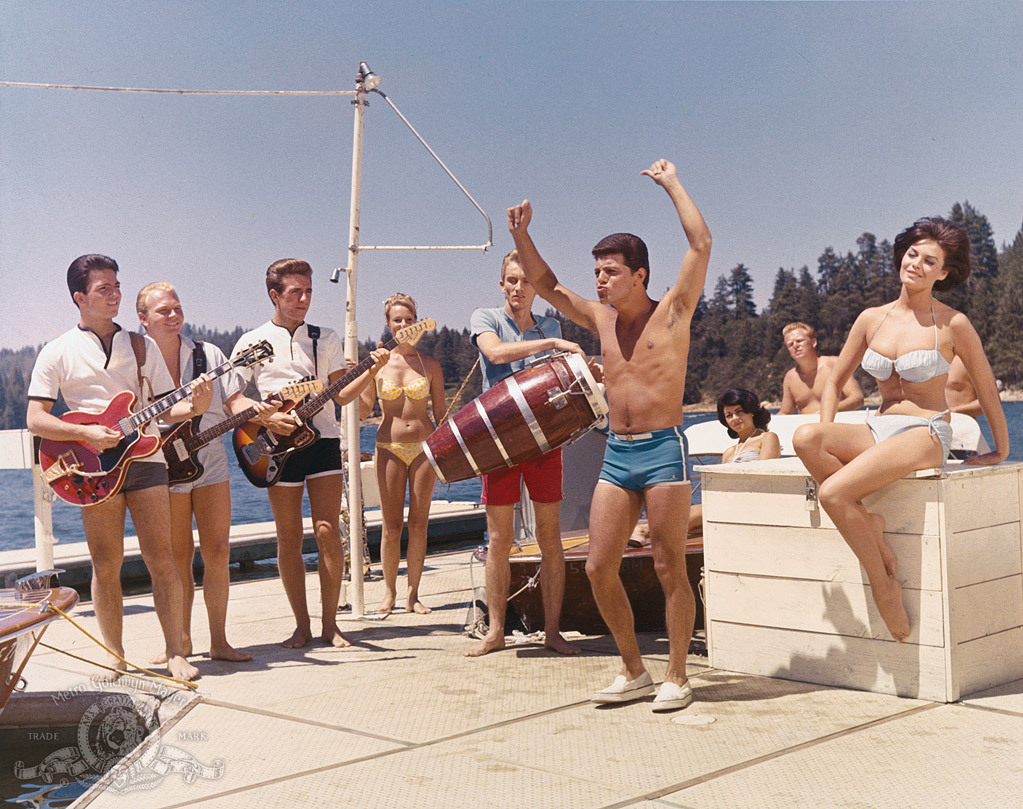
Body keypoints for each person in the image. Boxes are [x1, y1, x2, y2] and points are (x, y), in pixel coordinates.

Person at [507, 158, 711, 712]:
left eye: (611, 271)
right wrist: (522, 236)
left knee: (670, 565)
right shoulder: (600, 320)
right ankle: (633, 670)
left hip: (664, 449)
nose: (601, 279)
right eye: (597, 270)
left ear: (640, 274)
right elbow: (546, 285)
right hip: (617, 454)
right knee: (599, 566)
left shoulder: (672, 313)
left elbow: (700, 245)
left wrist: (672, 184)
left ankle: (677, 676)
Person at [793, 217, 1009, 642]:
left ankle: (883, 584)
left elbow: (986, 389)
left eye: (930, 261)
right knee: (806, 438)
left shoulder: (953, 324)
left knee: (834, 492)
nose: (917, 265)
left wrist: (1001, 449)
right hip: (879, 425)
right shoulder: (871, 318)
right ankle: (869, 527)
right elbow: (835, 384)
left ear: (943, 273)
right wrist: (828, 434)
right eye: (913, 254)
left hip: (926, 432)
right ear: (902, 256)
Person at [26, 255, 211, 682]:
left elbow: (171, 403)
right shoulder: (56, 352)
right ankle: (114, 654)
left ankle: (175, 653)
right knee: (106, 563)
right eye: (103, 289)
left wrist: (197, 404)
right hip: (91, 468)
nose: (114, 295)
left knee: (162, 557)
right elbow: (36, 418)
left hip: (146, 457)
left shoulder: (141, 344)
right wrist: (85, 435)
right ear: (79, 297)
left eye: (116, 286)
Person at [231, 259, 388, 648]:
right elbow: (233, 398)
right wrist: (265, 421)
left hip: (324, 440)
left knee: (327, 531)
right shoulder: (252, 342)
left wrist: (371, 370)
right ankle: (301, 626)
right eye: (295, 292)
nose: (304, 299)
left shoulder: (326, 338)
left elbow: (344, 394)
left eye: (309, 292)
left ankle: (331, 624)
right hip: (276, 446)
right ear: (274, 295)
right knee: (288, 537)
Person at [463, 248, 588, 658]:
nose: (519, 288)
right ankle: (495, 631)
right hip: (498, 440)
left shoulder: (548, 320)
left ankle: (553, 631)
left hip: (544, 440)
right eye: (512, 281)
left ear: (536, 286)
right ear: (502, 284)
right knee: (499, 539)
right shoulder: (486, 318)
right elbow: (495, 354)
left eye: (526, 281)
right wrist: (552, 342)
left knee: (550, 537)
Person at [137, 281, 258, 663]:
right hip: (164, 466)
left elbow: (234, 399)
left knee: (218, 551)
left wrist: (262, 410)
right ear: (143, 319)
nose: (173, 316)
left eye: (177, 308)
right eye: (163, 311)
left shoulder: (208, 354)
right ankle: (182, 642)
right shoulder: (138, 359)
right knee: (177, 556)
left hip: (211, 464)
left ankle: (219, 641)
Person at [358, 293, 445, 617]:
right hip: (389, 448)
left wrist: (448, 453)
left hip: (424, 449)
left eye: (409, 319)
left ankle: (413, 595)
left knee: (419, 524)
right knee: (392, 526)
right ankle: (389, 594)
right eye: (398, 320)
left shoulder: (429, 364)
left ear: (418, 322)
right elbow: (365, 408)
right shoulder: (379, 364)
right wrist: (367, 372)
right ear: (388, 324)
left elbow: (442, 415)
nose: (404, 325)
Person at [687, 388, 781, 533]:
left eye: (739, 411)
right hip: (727, 502)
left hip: (753, 502)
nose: (735, 418)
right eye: (729, 415)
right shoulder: (729, 452)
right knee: (687, 520)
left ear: (752, 412)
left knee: (688, 516)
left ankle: (644, 531)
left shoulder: (767, 438)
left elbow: (764, 479)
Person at [780, 322, 864, 414]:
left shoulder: (834, 365)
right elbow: (785, 413)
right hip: (806, 426)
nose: (795, 346)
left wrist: (824, 412)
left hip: (834, 425)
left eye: (799, 341)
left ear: (813, 342)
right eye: (790, 344)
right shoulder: (790, 377)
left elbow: (857, 399)